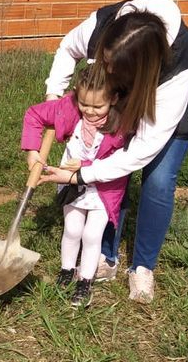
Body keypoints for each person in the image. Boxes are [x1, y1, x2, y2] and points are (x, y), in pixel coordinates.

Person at [39, 0, 188, 304]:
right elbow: (69, 49)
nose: (103, 69)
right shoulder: (105, 26)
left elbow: (140, 152)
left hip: (183, 100)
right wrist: (54, 94)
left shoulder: (176, 74)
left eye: (111, 67)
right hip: (124, 92)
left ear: (137, 71)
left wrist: (81, 175)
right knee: (109, 165)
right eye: (103, 60)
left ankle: (143, 266)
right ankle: (107, 255)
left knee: (158, 180)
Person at [21, 65, 129, 308]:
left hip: (104, 189)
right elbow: (34, 115)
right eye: (84, 104)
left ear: (113, 98)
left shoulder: (123, 124)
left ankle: (85, 281)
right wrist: (32, 151)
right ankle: (66, 270)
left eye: (97, 107)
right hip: (69, 184)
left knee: (92, 235)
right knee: (71, 230)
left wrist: (86, 164)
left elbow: (121, 161)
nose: (89, 111)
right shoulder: (68, 108)